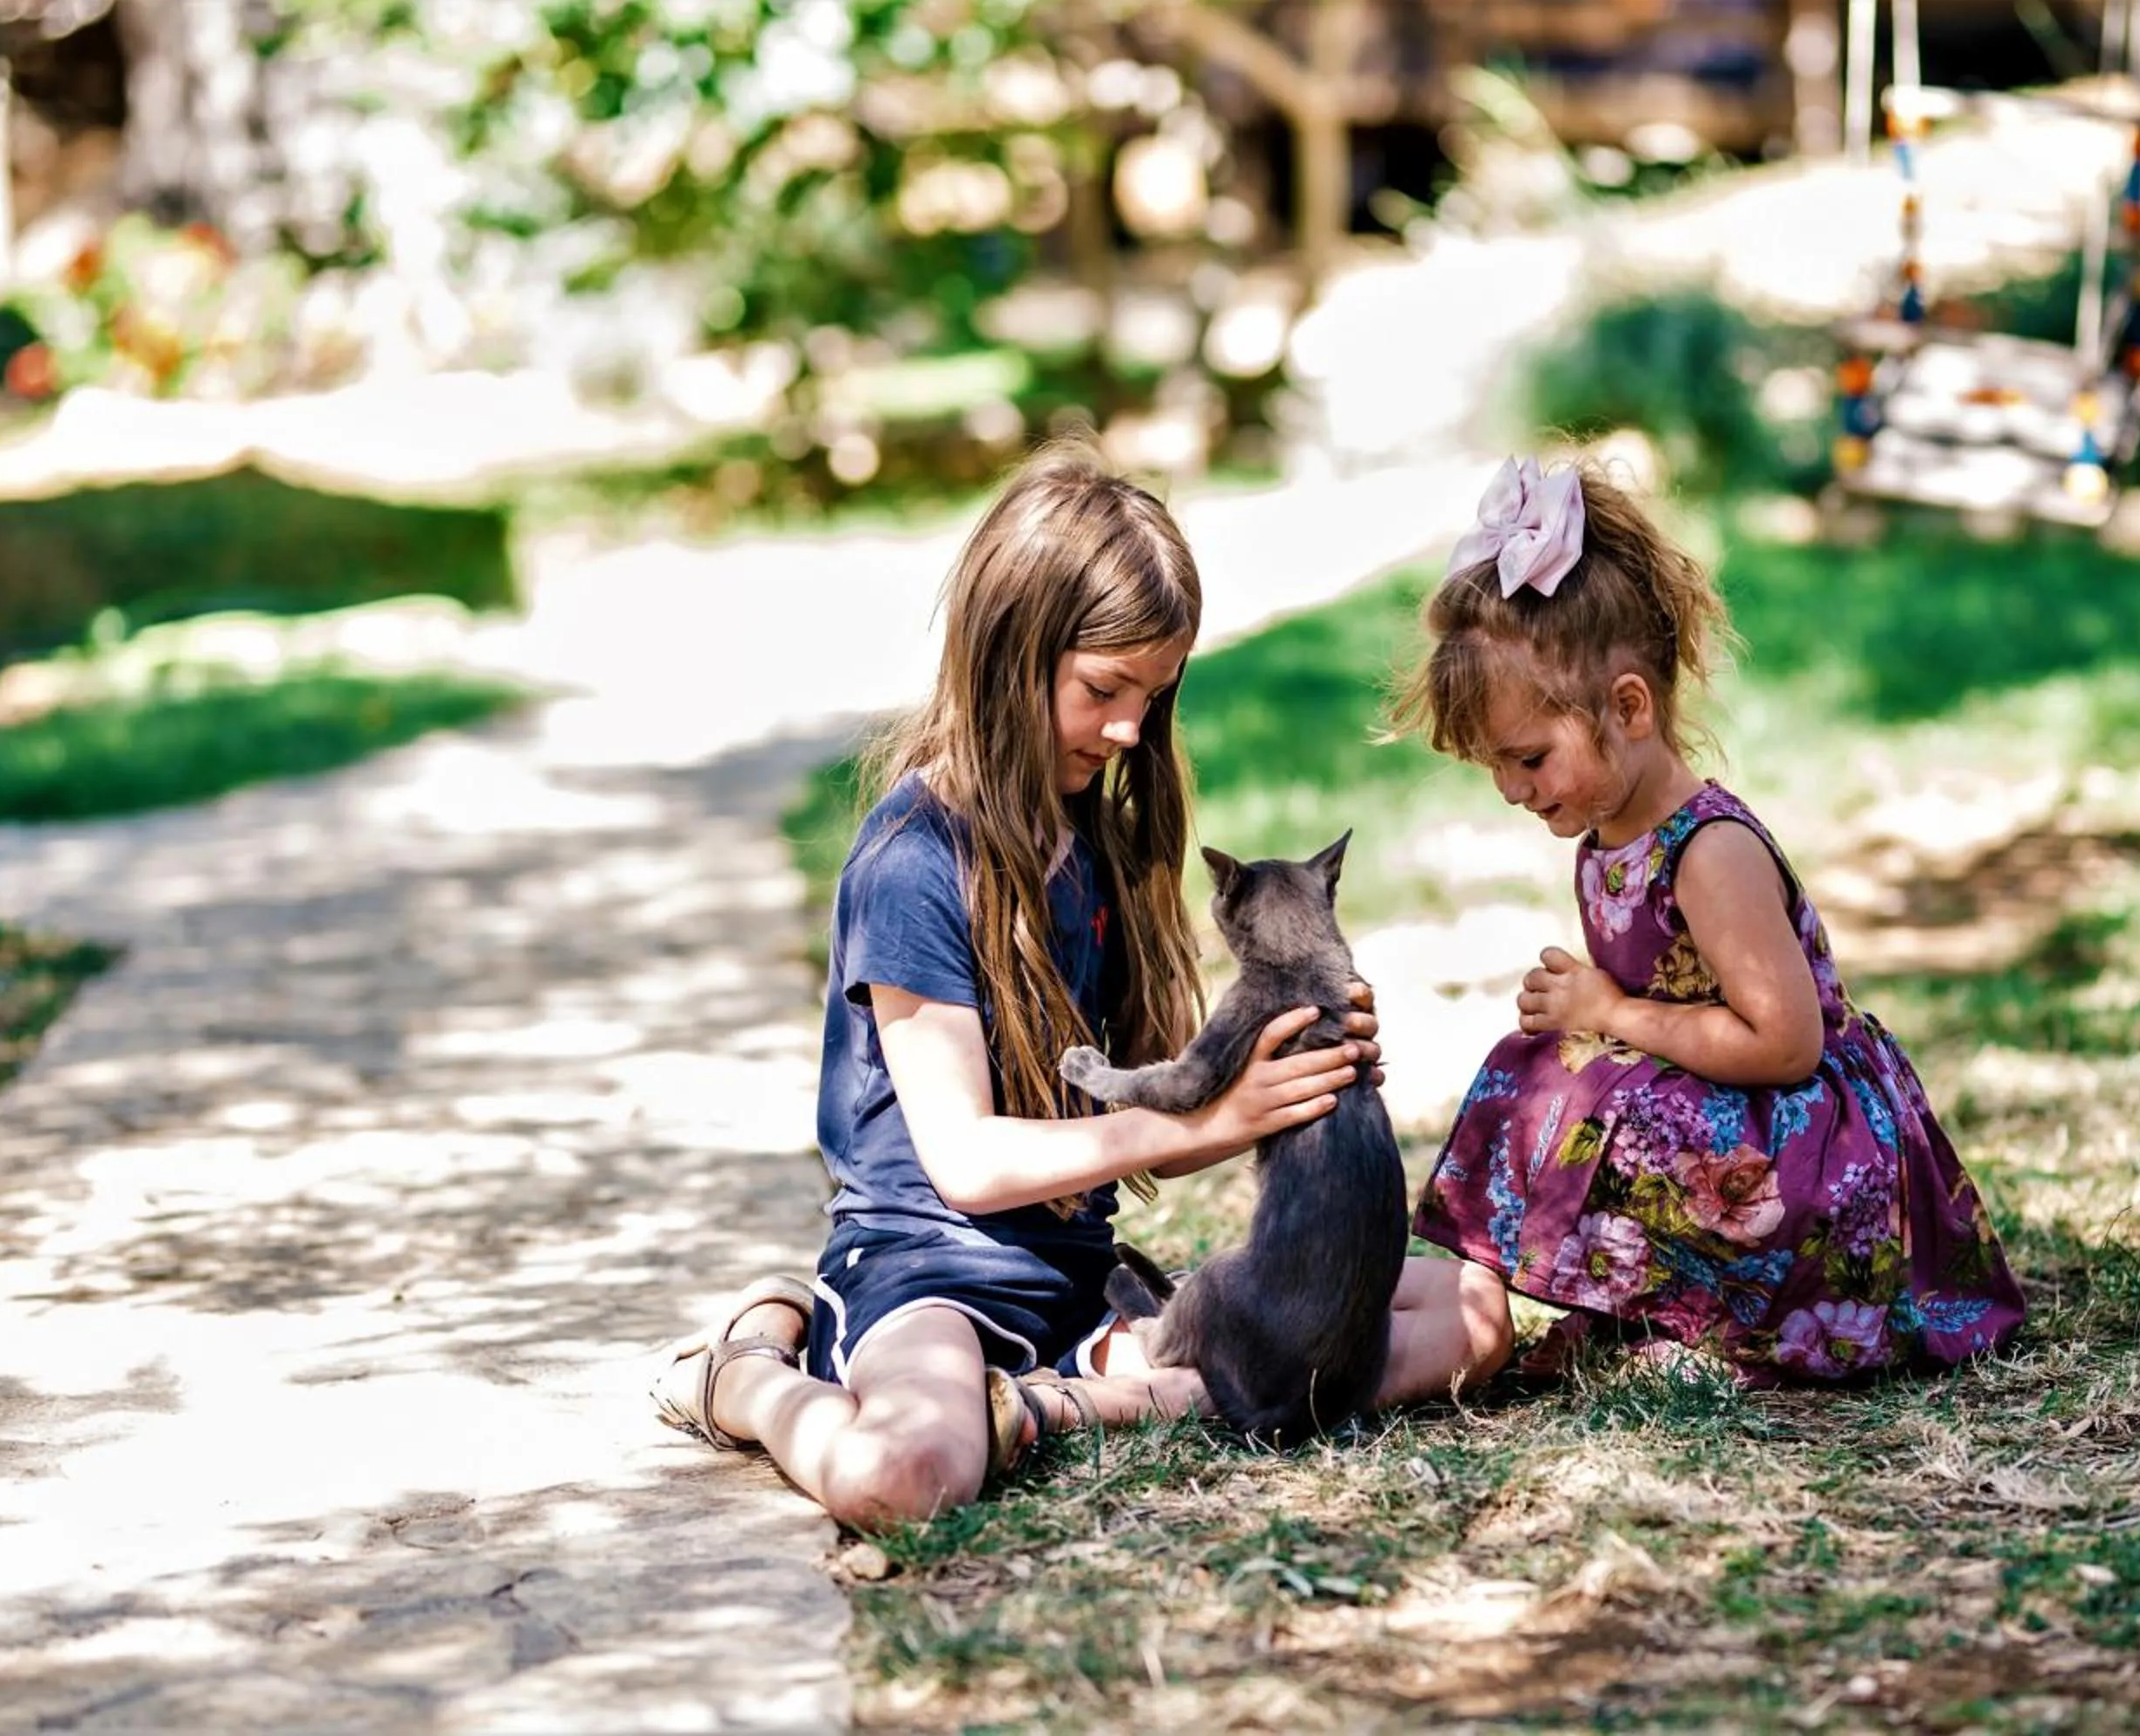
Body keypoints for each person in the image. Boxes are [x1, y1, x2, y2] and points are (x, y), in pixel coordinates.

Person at [651, 443, 1515, 1530]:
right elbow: (966, 1163)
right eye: (1104, 689)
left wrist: (1305, 1067)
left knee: (1471, 1318)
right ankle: (748, 1367)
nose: (1128, 731)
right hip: (931, 1274)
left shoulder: (1088, 841)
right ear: (1011, 652)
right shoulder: (911, 864)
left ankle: (1053, 1405)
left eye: (1152, 698)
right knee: (906, 1476)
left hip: (1080, 1280)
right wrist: (1216, 1122)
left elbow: (1173, 1088)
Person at [1394, 455, 2025, 1385]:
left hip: (1810, 1159)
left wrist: (1611, 1013)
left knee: (1579, 1078)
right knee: (1539, 1071)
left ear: (1630, 707)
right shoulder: (1611, 832)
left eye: (1528, 758)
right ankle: (1650, 1306)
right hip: (1728, 1114)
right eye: (1495, 766)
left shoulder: (1709, 851)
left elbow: (1785, 1045)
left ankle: (1733, 1320)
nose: (1510, 789)